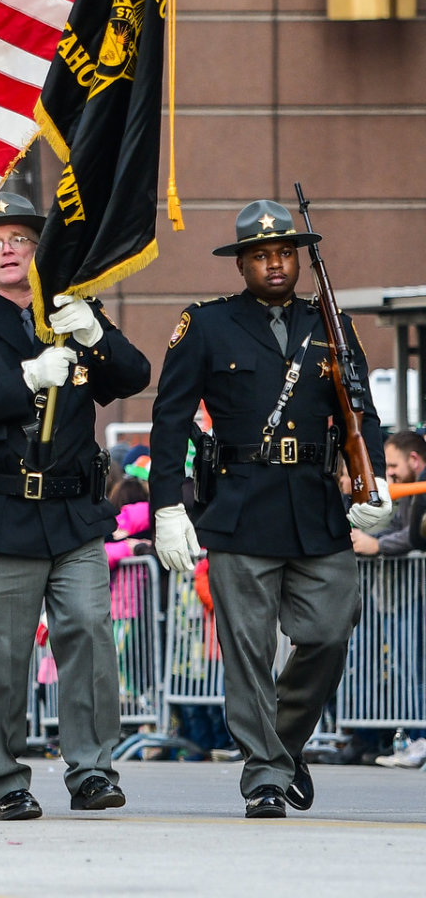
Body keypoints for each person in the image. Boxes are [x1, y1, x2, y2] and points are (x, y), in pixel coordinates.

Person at [148, 199, 391, 818]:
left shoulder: (332, 325)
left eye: (285, 252)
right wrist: (167, 507)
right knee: (249, 650)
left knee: (330, 631)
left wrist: (376, 480)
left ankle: (282, 743)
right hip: (240, 504)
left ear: (299, 260)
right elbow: (169, 417)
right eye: (261, 256)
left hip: (315, 505)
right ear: (242, 264)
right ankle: (264, 775)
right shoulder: (206, 324)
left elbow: (360, 412)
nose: (276, 264)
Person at [0, 193, 150, 821]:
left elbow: (133, 375)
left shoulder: (71, 312)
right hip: (2, 515)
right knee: (1, 654)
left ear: (39, 250)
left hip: (74, 514)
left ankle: (91, 769)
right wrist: (27, 377)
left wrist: (93, 331)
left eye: (21, 239)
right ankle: (5, 778)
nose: (8, 249)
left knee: (86, 631)